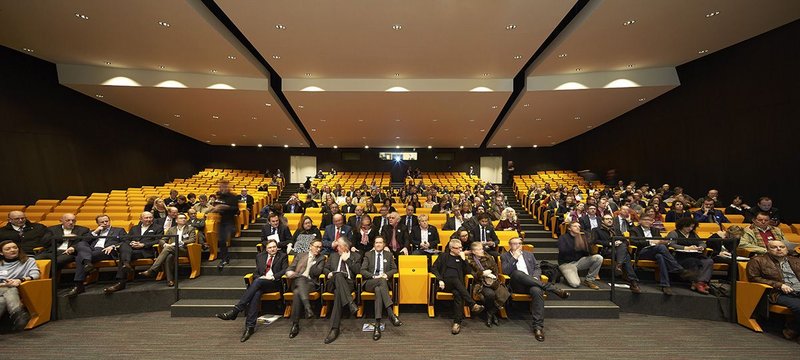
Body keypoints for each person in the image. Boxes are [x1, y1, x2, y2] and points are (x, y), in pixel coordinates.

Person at [216, 239, 288, 341]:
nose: (273, 249)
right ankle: (249, 327)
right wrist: (261, 277)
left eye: (274, 247)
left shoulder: (283, 256)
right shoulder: (260, 256)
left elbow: (285, 270)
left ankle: (236, 310)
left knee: (257, 283)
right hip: (261, 283)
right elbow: (256, 273)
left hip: (274, 283)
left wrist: (271, 277)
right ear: (266, 249)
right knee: (256, 293)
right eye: (270, 247)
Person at [501, 237, 569, 340]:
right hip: (517, 285)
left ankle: (538, 327)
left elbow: (537, 268)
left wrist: (535, 277)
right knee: (517, 273)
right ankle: (551, 288)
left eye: (519, 243)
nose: (518, 246)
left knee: (537, 291)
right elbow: (506, 272)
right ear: (510, 245)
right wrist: (514, 257)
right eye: (515, 244)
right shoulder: (504, 256)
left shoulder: (529, 254)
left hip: (532, 283)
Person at [746, 240, 800, 343]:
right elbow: (753, 278)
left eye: (782, 247)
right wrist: (779, 285)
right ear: (767, 249)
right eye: (774, 247)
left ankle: (793, 329)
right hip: (777, 293)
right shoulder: (757, 261)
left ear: (787, 249)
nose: (779, 249)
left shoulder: (795, 260)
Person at [629, 215, 696, 296]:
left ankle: (665, 285)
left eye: (650, 220)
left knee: (660, 256)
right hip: (642, 252)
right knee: (661, 248)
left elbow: (661, 240)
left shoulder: (655, 230)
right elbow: (633, 242)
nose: (648, 221)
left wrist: (664, 242)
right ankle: (679, 270)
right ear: (640, 221)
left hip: (656, 251)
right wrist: (651, 242)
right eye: (645, 220)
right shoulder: (634, 230)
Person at [430, 239, 485, 335]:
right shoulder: (443, 256)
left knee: (458, 294)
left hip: (458, 286)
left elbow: (468, 271)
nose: (460, 249)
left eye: (461, 247)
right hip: (444, 284)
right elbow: (433, 268)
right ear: (451, 248)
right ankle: (472, 304)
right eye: (458, 248)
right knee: (454, 279)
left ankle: (457, 323)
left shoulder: (461, 258)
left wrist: (464, 260)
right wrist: (440, 280)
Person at [66, 215, 128, 296]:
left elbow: (125, 241)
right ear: (97, 223)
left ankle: (79, 284)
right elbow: (83, 242)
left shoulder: (118, 230)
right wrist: (95, 232)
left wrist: (113, 246)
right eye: (102, 222)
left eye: (106, 221)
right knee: (81, 244)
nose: (105, 223)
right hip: (90, 251)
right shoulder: (93, 232)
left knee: (79, 257)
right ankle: (87, 263)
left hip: (106, 251)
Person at [360, 236, 403, 340]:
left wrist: (386, 275)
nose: (378, 244)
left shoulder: (389, 255)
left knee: (379, 290)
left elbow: (394, 269)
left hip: (382, 284)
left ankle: (377, 325)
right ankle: (390, 313)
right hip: (370, 282)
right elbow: (363, 270)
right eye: (376, 243)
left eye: (380, 243)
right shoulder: (368, 255)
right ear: (374, 244)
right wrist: (374, 276)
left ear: (384, 244)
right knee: (380, 281)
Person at [322, 238, 361, 344]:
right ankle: (350, 303)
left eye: (339, 245)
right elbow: (325, 268)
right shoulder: (333, 256)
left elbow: (358, 271)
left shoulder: (355, 256)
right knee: (338, 274)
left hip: (347, 284)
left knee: (338, 294)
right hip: (332, 283)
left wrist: (347, 260)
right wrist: (328, 273)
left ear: (345, 247)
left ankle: (334, 329)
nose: (336, 247)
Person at [138, 213, 195, 287]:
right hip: (172, 250)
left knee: (168, 248)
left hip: (184, 250)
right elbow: (162, 240)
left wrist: (180, 242)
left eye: (184, 218)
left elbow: (192, 239)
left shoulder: (190, 229)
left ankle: (152, 270)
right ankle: (170, 280)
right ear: (176, 220)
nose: (183, 219)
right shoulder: (171, 229)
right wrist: (164, 244)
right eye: (181, 218)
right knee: (169, 256)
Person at [591, 215, 641, 293]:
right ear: (602, 221)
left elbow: (625, 241)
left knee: (624, 249)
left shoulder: (617, 230)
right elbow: (595, 241)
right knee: (626, 255)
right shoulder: (597, 230)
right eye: (607, 219)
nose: (609, 220)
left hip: (619, 251)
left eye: (611, 219)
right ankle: (633, 281)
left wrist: (620, 242)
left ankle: (620, 267)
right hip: (606, 251)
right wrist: (611, 243)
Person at [287, 239, 326, 339]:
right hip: (297, 280)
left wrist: (313, 261)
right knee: (300, 279)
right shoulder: (300, 255)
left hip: (310, 283)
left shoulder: (321, 258)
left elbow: (317, 273)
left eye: (320, 247)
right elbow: (291, 268)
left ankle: (295, 324)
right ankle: (307, 308)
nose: (318, 249)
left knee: (296, 293)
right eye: (316, 246)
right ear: (310, 246)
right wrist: (289, 273)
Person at [466, 241, 509, 328]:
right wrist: (482, 274)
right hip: (479, 283)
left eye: (482, 249)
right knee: (490, 294)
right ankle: (491, 314)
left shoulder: (489, 257)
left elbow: (496, 270)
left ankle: (490, 312)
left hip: (492, 281)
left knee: (505, 293)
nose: (482, 251)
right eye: (479, 249)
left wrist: (493, 277)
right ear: (473, 251)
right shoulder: (469, 260)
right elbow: (471, 274)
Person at [0, 240, 40, 331]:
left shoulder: (28, 261)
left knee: (1, 301)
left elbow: (35, 275)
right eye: (8, 249)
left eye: (15, 247)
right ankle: (17, 313)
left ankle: (18, 315)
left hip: (19, 290)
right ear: (1, 252)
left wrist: (20, 280)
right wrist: (4, 284)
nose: (12, 250)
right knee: (9, 288)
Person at [667, 218, 713, 295]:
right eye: (688, 227)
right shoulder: (674, 233)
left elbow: (702, 243)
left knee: (708, 261)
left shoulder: (693, 234)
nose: (690, 229)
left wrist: (701, 247)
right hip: (681, 256)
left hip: (695, 254)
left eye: (692, 227)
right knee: (693, 261)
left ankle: (700, 282)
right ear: (682, 225)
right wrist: (686, 248)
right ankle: (697, 283)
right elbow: (672, 244)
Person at [557, 222, 602, 289]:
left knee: (598, 258)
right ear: (569, 228)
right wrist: (577, 246)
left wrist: (588, 246)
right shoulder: (563, 238)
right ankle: (566, 277)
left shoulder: (582, 237)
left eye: (579, 226)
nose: (578, 228)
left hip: (579, 261)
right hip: (566, 264)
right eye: (575, 226)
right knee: (575, 284)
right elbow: (563, 251)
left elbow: (587, 254)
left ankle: (589, 280)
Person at [213, 180, 239, 270]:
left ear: (227, 186)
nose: (221, 188)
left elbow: (236, 210)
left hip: (230, 221)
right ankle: (224, 259)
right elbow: (215, 206)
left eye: (223, 186)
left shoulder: (233, 197)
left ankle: (233, 234)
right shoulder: (219, 196)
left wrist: (225, 207)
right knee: (221, 240)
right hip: (221, 221)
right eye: (220, 187)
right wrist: (216, 208)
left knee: (230, 233)